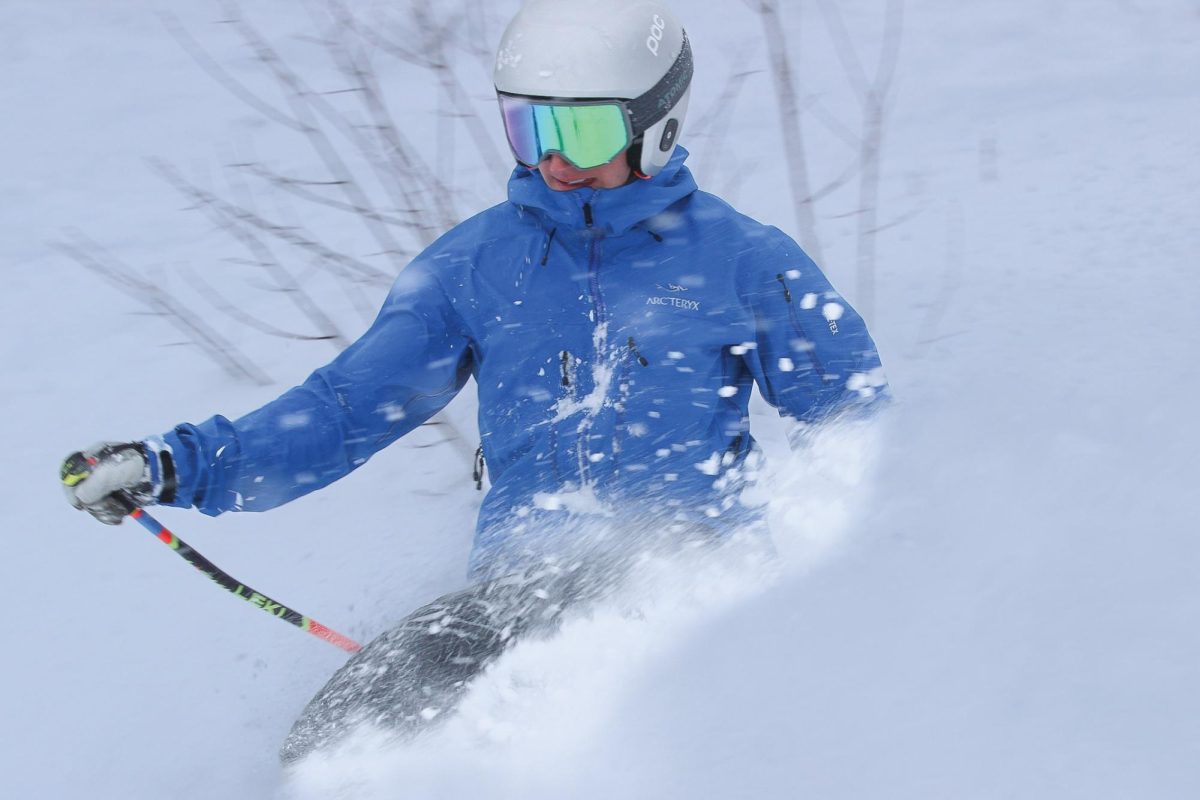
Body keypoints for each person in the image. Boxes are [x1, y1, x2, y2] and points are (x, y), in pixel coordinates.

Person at [61, 0, 888, 762]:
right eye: (531, 130)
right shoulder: (476, 265)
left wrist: (853, 594)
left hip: (700, 596)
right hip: (517, 599)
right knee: (337, 743)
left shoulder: (741, 260)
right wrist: (175, 464)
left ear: (657, 129)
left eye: (586, 132)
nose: (556, 159)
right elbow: (343, 408)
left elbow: (860, 435)